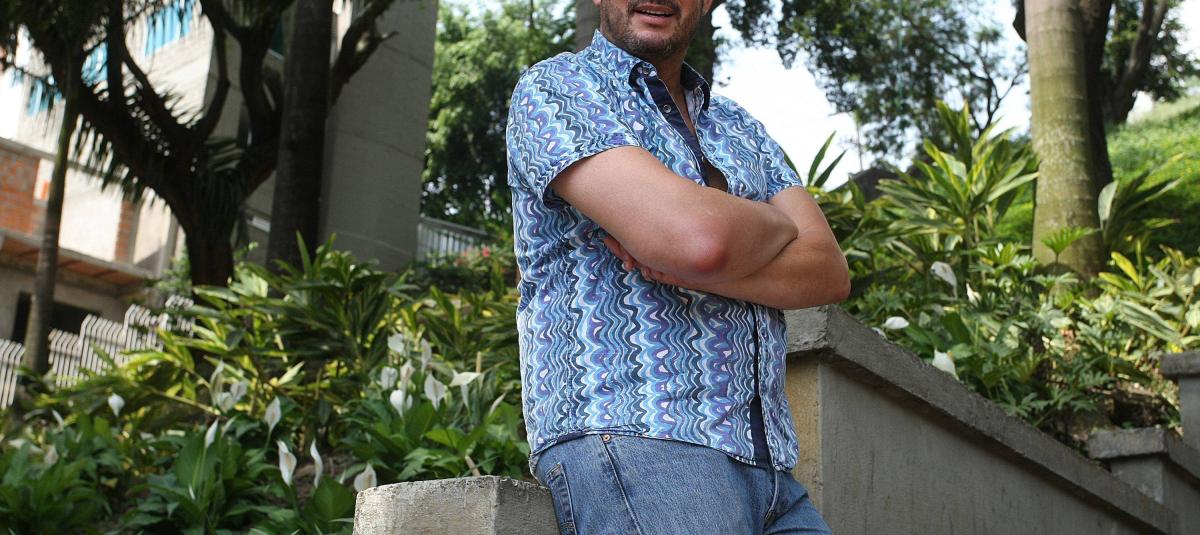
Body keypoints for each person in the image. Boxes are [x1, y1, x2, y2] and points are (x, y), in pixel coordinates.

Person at [505, 0, 849, 533]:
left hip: (771, 471)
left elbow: (827, 271)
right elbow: (700, 241)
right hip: (640, 441)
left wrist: (700, 259)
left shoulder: (738, 126)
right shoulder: (560, 89)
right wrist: (776, 223)